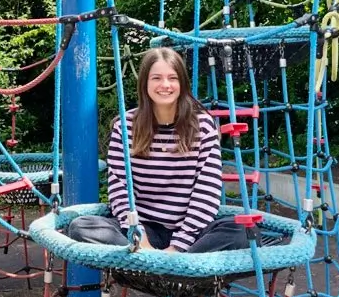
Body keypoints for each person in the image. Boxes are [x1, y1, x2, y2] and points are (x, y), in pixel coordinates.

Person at [68, 47, 258, 253]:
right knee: (81, 227)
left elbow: (207, 191)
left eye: (172, 78)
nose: (165, 85)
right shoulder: (126, 126)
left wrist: (178, 246)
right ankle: (158, 262)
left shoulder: (202, 125)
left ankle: (170, 264)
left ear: (182, 84)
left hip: (191, 233)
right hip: (144, 229)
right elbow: (119, 189)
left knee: (242, 231)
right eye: (156, 78)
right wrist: (139, 237)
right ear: (145, 83)